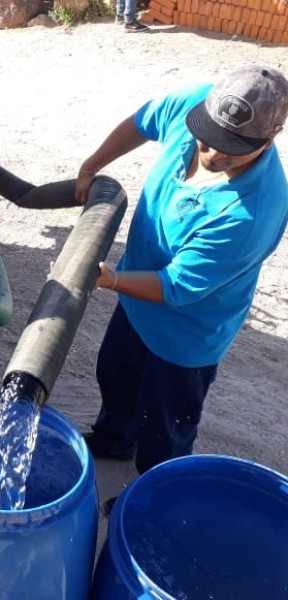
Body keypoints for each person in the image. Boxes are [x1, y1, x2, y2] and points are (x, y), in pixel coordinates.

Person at [75, 64, 288, 481]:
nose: (211, 152)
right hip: (136, 301)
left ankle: (156, 491)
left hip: (186, 335)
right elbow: (141, 121)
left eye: (230, 147)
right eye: (206, 137)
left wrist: (110, 279)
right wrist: (91, 165)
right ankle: (114, 440)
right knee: (116, 377)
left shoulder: (251, 212)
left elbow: (176, 287)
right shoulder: (198, 102)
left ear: (269, 139)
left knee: (165, 424)